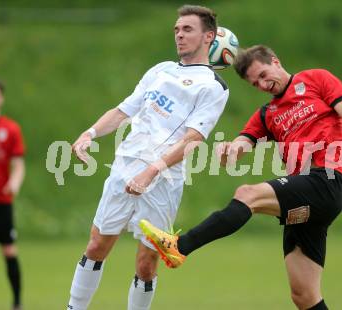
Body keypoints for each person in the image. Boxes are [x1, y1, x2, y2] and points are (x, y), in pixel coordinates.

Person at [139, 45, 342, 310]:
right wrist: (229, 150)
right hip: (305, 201)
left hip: (325, 181)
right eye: (255, 82)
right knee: (304, 296)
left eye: (263, 74)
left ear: (275, 61)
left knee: (248, 194)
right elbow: (242, 145)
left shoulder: (316, 79)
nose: (262, 84)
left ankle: (179, 247)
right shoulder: (267, 113)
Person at [66, 5, 229, 310]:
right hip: (126, 165)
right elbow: (123, 110)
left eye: (188, 29)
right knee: (97, 245)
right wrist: (90, 132)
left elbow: (193, 139)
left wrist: (151, 171)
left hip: (164, 179)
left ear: (209, 36)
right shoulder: (160, 69)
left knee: (146, 263)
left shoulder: (213, 86)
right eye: (177, 30)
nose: (179, 35)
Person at [0, 80, 25, 310]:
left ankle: (16, 302)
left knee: (9, 250)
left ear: (1, 99)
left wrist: (14, 182)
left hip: (1, 202)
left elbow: (18, 164)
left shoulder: (10, 129)